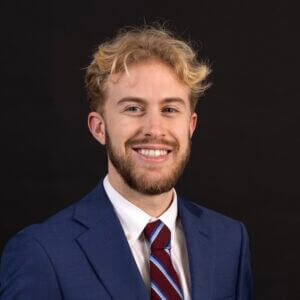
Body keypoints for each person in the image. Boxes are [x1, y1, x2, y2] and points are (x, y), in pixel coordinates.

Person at [0, 25, 252, 299]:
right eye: (133, 108)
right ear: (99, 128)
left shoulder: (229, 241)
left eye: (170, 109)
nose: (155, 129)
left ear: (190, 126)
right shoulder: (42, 252)